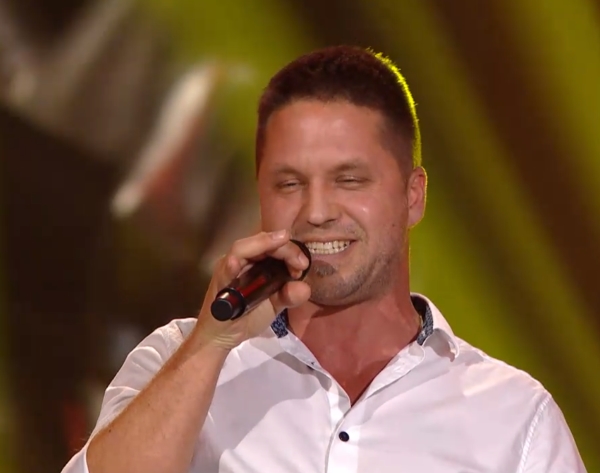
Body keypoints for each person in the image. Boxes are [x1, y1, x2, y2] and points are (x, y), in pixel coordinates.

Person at [61, 45, 586, 473]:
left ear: (413, 196)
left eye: (349, 180)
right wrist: (210, 346)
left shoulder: (514, 416)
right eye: (289, 184)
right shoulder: (177, 360)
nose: (315, 212)